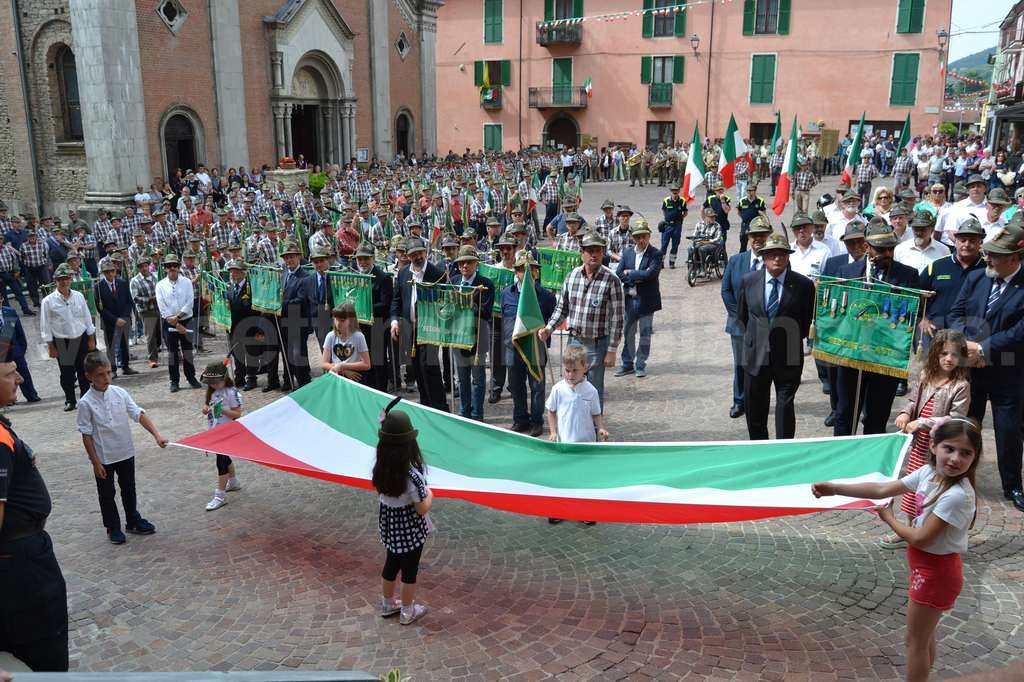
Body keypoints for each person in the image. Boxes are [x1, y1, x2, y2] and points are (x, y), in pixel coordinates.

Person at [812, 418, 981, 682]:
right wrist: (835, 488)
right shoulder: (928, 473)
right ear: (934, 446)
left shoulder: (956, 496)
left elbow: (921, 538)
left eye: (966, 453)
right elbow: (882, 488)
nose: (955, 458)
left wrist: (889, 519)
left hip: (937, 574)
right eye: (949, 448)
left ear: (975, 457)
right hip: (929, 569)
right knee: (923, 638)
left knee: (914, 641)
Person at [948, 224, 1024, 512]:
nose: (987, 259)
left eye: (994, 255)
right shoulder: (978, 278)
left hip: (1008, 373)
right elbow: (956, 313)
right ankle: (960, 476)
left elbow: (1020, 331)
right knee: (967, 425)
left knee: (1008, 431)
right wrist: (965, 342)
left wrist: (984, 347)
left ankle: (1012, 485)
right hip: (972, 370)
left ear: (1014, 259)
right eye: (988, 253)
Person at [0, 359, 68, 672]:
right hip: (21, 562)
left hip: (19, 555)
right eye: (10, 374)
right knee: (45, 651)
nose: (20, 379)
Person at [882, 330, 971, 549]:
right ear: (935, 355)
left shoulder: (960, 386)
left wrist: (922, 422)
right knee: (913, 485)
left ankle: (925, 531)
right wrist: (905, 413)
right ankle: (909, 529)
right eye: (944, 354)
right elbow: (914, 401)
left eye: (954, 354)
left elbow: (956, 418)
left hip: (938, 446)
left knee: (929, 487)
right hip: (919, 443)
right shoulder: (927, 376)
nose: (949, 359)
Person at [833, 222, 921, 436]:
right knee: (845, 414)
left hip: (885, 358)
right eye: (881, 249)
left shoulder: (908, 275)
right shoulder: (847, 272)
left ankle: (871, 463)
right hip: (851, 356)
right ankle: (840, 461)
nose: (887, 253)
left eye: (891, 248)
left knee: (877, 416)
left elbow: (912, 314)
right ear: (866, 247)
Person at [76, 351, 167, 545]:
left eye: (109, 372)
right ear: (88, 376)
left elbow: (137, 413)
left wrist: (156, 434)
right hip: (104, 457)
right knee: (107, 494)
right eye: (100, 375)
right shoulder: (85, 403)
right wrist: (95, 462)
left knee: (129, 487)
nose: (106, 378)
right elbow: (86, 435)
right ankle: (112, 526)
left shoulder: (119, 393)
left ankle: (133, 519)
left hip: (125, 451)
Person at [736, 233, 815, 440]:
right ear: (763, 257)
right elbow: (743, 317)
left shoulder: (803, 285)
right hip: (756, 356)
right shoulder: (749, 281)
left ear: (788, 257)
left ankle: (783, 448)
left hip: (788, 356)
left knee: (785, 405)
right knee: (755, 409)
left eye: (782, 254)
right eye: (771, 255)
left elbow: (807, 321)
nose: (777, 259)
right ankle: (759, 448)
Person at [539, 232, 624, 412]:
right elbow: (562, 308)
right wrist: (549, 328)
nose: (594, 254)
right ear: (582, 253)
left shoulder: (612, 280)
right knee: (571, 385)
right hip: (574, 341)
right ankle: (572, 423)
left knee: (593, 390)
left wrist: (612, 350)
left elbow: (618, 319)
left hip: (597, 344)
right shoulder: (572, 276)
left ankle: (594, 430)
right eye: (590, 250)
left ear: (603, 253)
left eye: (598, 251)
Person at [372, 401, 433, 625]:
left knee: (391, 564)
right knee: (409, 571)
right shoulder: (413, 477)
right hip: (409, 530)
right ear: (410, 444)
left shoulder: (379, 468)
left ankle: (388, 603)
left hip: (389, 526)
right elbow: (421, 508)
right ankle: (408, 611)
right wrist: (431, 496)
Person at [544, 344, 608, 524]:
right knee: (562, 477)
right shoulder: (558, 389)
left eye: (575, 371)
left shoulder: (591, 391)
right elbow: (551, 410)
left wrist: (601, 428)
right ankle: (559, 509)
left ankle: (585, 511)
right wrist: (553, 431)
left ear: (585, 368)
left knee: (584, 478)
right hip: (564, 443)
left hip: (585, 444)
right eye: (567, 370)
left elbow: (596, 413)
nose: (571, 375)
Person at [721, 215, 773, 419]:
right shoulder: (736, 261)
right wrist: (740, 316)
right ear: (748, 237)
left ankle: (759, 400)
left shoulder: (775, 260)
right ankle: (739, 400)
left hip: (766, 326)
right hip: (739, 325)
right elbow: (726, 291)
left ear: (768, 236)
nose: (758, 239)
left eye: (762, 235)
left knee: (763, 365)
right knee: (741, 364)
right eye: (754, 235)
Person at [390, 237, 449, 412]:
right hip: (410, 328)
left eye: (420, 253)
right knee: (416, 367)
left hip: (430, 328)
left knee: (430, 366)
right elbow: (397, 300)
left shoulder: (437, 273)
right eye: (414, 254)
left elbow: (445, 302)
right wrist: (394, 321)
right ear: (408, 256)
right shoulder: (403, 273)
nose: (418, 257)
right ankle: (425, 404)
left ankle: (440, 407)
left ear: (426, 252)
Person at [502, 253, 556, 437]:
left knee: (537, 386)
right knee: (516, 385)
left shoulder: (547, 297)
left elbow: (551, 320)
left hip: (536, 346)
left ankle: (536, 421)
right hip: (512, 346)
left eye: (531, 269)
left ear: (536, 272)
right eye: (522, 269)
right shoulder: (506, 293)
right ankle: (520, 419)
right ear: (516, 272)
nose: (527, 272)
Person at [917, 218, 986, 339]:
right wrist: (922, 319)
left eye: (972, 241)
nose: (967, 244)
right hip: (934, 330)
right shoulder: (936, 266)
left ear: (980, 243)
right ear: (955, 241)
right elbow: (917, 294)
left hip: (971, 334)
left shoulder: (988, 269)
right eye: (963, 240)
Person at [39, 263, 96, 411]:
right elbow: (45, 325)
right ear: (55, 281)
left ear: (71, 279)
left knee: (84, 371)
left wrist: (91, 338)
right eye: (61, 279)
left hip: (80, 337)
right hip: (62, 341)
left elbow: (87, 317)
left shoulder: (78, 296)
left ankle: (85, 398)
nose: (64, 282)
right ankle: (70, 399)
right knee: (67, 373)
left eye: (67, 278)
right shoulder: (48, 301)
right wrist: (50, 346)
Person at [614, 220, 662, 379]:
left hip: (647, 300)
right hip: (630, 300)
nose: (641, 240)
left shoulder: (655, 254)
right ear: (633, 238)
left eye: (644, 236)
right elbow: (619, 273)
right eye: (638, 237)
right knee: (628, 332)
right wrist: (634, 277)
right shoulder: (627, 253)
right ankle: (627, 363)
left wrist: (631, 273)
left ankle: (640, 364)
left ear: (649, 236)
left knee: (645, 334)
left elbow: (651, 274)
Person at [451, 246, 494, 420]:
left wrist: (467, 303)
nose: (465, 266)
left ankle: (477, 414)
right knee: (462, 378)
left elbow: (486, 312)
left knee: (477, 379)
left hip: (478, 338)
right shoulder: (453, 282)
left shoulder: (486, 284)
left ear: (476, 264)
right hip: (458, 338)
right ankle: (464, 411)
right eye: (462, 263)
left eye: (469, 262)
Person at [199, 361, 243, 512]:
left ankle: (220, 496)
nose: (214, 386)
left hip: (228, 432)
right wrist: (206, 409)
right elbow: (208, 407)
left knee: (221, 462)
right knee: (224, 458)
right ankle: (234, 482)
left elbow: (238, 414)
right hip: (215, 430)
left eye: (216, 382)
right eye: (211, 383)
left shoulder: (232, 393)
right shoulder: (212, 392)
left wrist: (223, 410)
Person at [155, 253, 202, 393]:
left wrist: (179, 317)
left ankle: (191, 377)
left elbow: (189, 302)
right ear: (165, 268)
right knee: (172, 353)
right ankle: (174, 381)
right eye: (169, 266)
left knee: (187, 350)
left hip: (186, 320)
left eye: (175, 265)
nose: (172, 268)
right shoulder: (160, 285)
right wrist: (175, 323)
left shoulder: (187, 282)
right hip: (169, 322)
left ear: (179, 267)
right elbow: (162, 307)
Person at [353, 241, 395, 393]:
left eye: (366, 258)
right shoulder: (354, 276)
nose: (363, 262)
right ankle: (366, 390)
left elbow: (385, 304)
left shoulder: (383, 278)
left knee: (378, 361)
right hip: (359, 328)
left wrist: (363, 309)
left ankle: (380, 391)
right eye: (360, 259)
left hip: (377, 326)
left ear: (372, 258)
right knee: (362, 360)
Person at [277, 240, 315, 389]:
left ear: (298, 257)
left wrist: (281, 304)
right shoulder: (284, 273)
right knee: (287, 353)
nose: (289, 260)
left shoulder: (304, 277)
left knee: (299, 354)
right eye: (286, 257)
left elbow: (300, 300)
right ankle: (289, 380)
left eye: (291, 257)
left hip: (299, 322)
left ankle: (304, 382)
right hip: (284, 321)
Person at [95, 258, 138, 379]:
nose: (110, 274)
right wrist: (115, 320)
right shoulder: (98, 287)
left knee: (125, 344)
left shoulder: (123, 283)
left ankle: (125, 366)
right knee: (111, 346)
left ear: (115, 271)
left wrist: (124, 317)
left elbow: (129, 302)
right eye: (107, 272)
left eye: (112, 271)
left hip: (124, 319)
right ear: (103, 273)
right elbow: (100, 308)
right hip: (110, 322)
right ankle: (112, 369)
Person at [321, 302, 371, 382]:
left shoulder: (359, 337)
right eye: (336, 319)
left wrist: (342, 366)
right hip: (336, 376)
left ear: (351, 320)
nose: (338, 323)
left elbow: (367, 364)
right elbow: (323, 363)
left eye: (342, 320)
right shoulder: (330, 336)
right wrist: (343, 370)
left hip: (354, 378)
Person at [0, 305, 39, 403]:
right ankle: (7, 398)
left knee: (23, 371)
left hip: (14, 348)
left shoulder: (9, 312)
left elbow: (19, 331)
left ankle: (31, 394)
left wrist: (22, 348)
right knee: (5, 376)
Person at [129, 258, 162, 369]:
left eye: (145, 266)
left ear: (149, 266)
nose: (144, 268)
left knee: (160, 333)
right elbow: (135, 298)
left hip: (159, 308)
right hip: (146, 311)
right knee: (151, 335)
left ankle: (157, 349)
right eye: (141, 266)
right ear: (138, 268)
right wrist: (150, 299)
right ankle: (152, 359)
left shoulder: (156, 276)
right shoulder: (135, 280)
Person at [660, 186, 687, 269]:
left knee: (675, 245)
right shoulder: (666, 200)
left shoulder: (682, 201)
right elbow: (664, 210)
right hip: (667, 226)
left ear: (679, 191)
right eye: (673, 192)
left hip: (677, 226)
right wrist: (668, 218)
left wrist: (679, 219)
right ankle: (661, 262)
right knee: (664, 245)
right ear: (671, 192)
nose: (675, 193)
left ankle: (672, 262)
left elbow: (685, 212)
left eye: (676, 192)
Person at [736, 183, 767, 253]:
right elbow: (738, 211)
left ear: (755, 191)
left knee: (757, 243)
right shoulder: (742, 201)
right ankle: (743, 257)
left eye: (751, 190)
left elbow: (763, 213)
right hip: (745, 225)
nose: (749, 192)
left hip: (756, 226)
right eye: (748, 191)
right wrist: (744, 217)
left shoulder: (760, 201)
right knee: (743, 243)